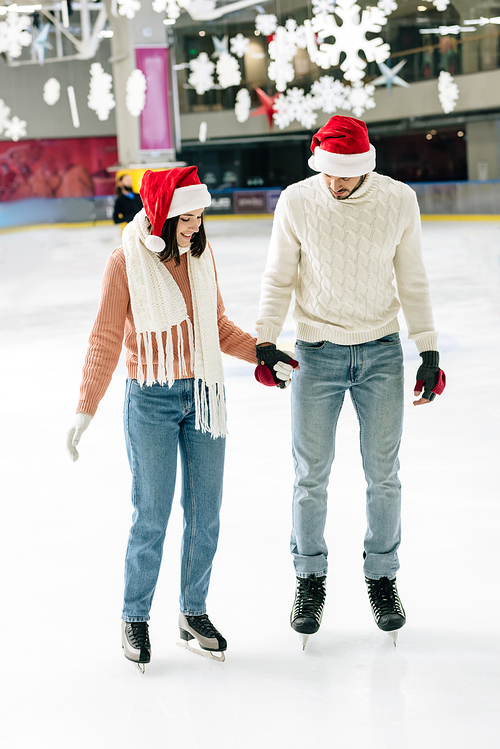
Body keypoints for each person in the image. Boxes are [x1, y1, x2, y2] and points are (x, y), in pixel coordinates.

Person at [66, 166, 271, 670]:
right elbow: (105, 339)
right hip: (151, 400)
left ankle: (192, 612)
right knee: (151, 516)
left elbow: (217, 327)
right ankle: (134, 616)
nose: (195, 227)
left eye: (200, 217)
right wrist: (84, 409)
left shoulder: (202, 258)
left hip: (203, 394)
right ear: (162, 213)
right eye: (187, 217)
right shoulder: (125, 263)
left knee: (206, 517)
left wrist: (264, 354)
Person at [254, 116, 446, 647]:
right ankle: (309, 577)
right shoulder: (296, 201)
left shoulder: (398, 200)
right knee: (310, 475)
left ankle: (382, 576)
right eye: (330, 173)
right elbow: (278, 276)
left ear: (366, 166)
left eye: (348, 174)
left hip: (382, 352)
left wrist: (427, 348)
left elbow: (413, 278)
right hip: (315, 354)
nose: (336, 184)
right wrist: (266, 340)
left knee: (383, 474)